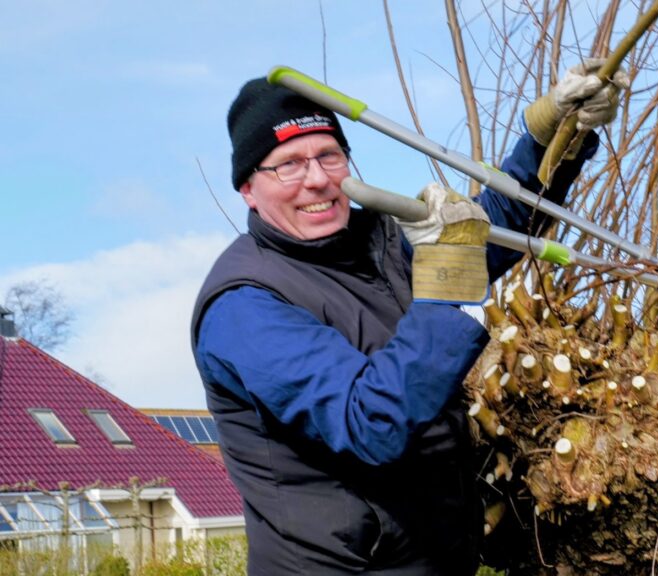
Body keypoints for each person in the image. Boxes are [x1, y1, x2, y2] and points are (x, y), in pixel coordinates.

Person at [190, 60, 626, 575]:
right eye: (288, 165)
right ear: (248, 188)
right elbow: (369, 421)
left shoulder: (377, 242)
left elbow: (497, 228)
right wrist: (444, 277)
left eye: (329, 155)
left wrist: (554, 136)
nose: (317, 180)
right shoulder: (244, 306)